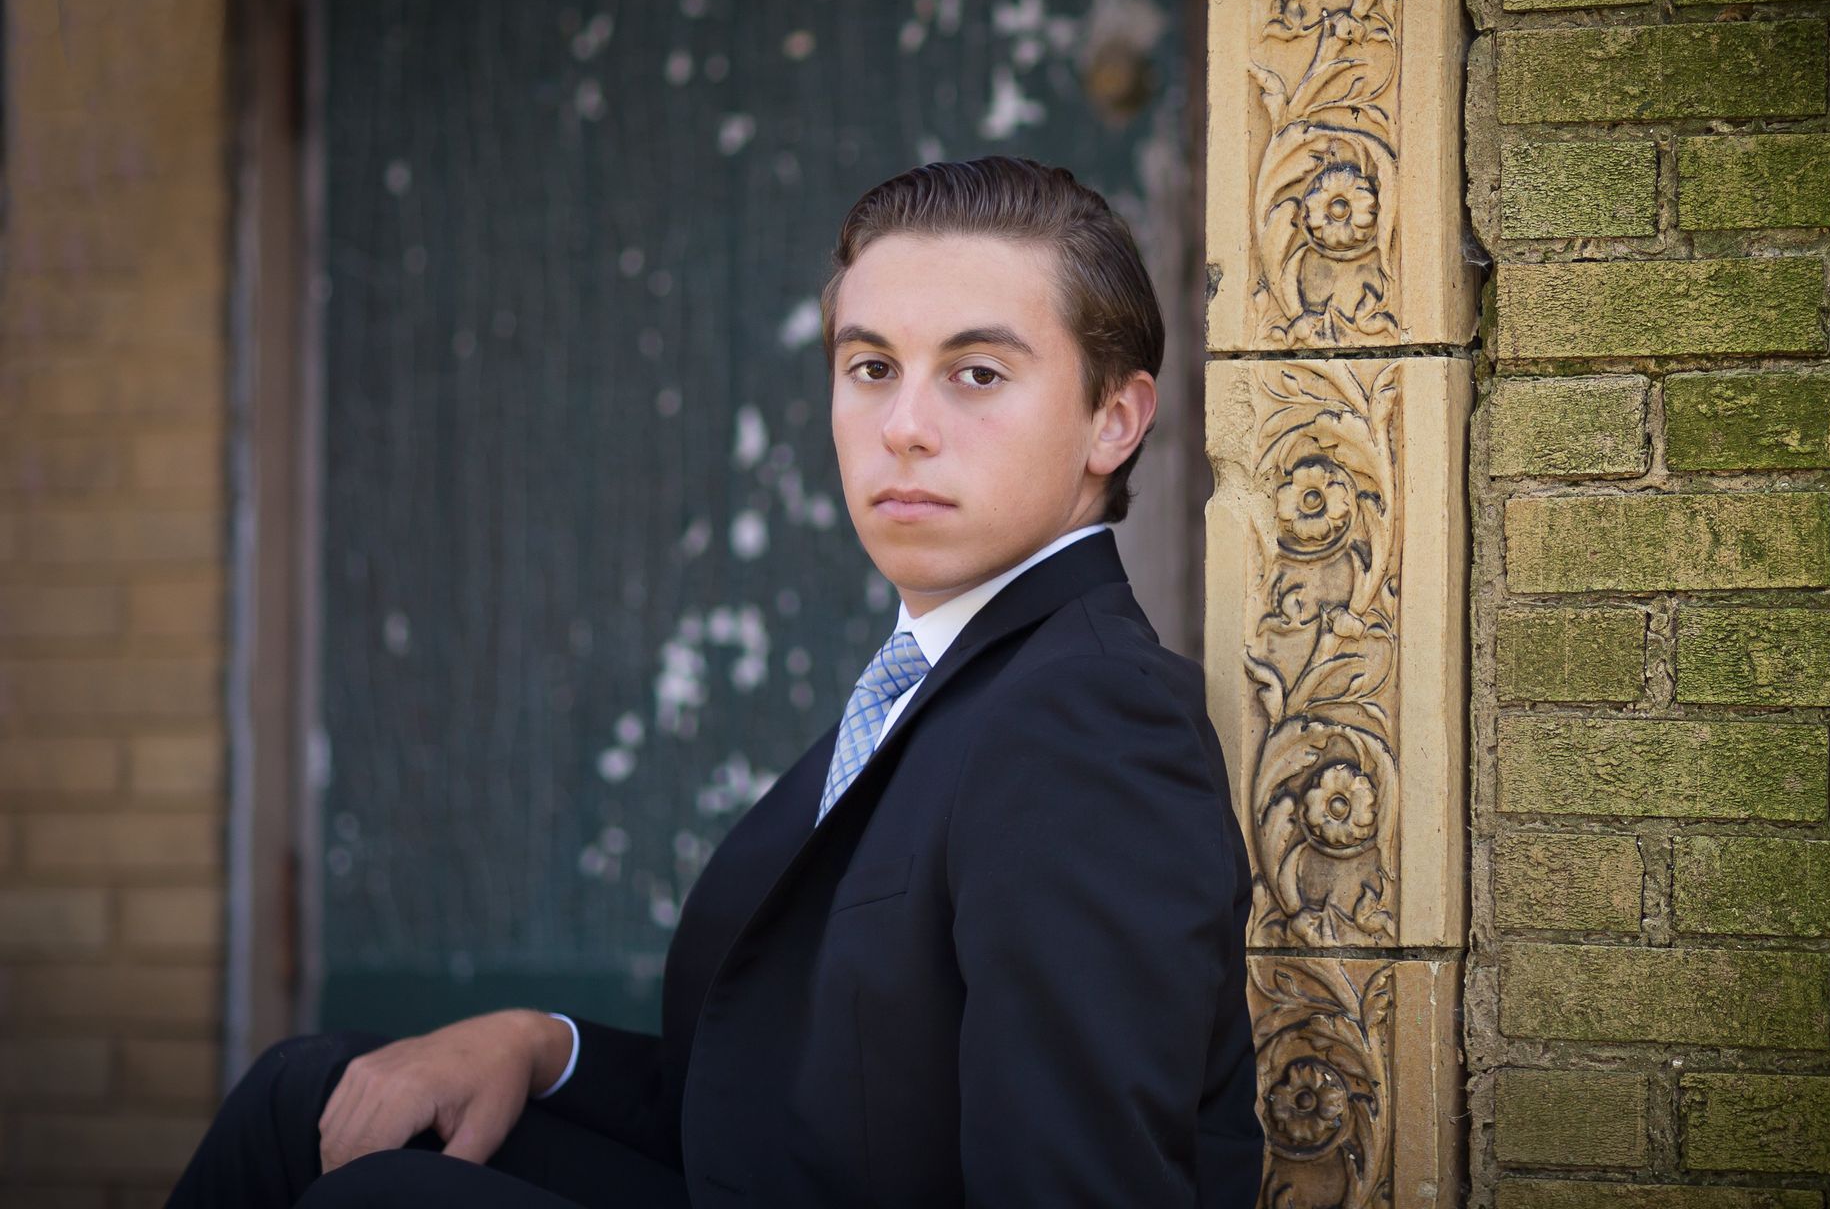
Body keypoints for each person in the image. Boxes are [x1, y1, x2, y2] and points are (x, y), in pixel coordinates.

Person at [169, 156, 1261, 1207]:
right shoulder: (941, 685)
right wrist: (543, 1045)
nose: (904, 427)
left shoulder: (1091, 715)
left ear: (1114, 419)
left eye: (977, 373)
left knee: (387, 1193)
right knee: (301, 1101)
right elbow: (785, 1110)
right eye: (871, 366)